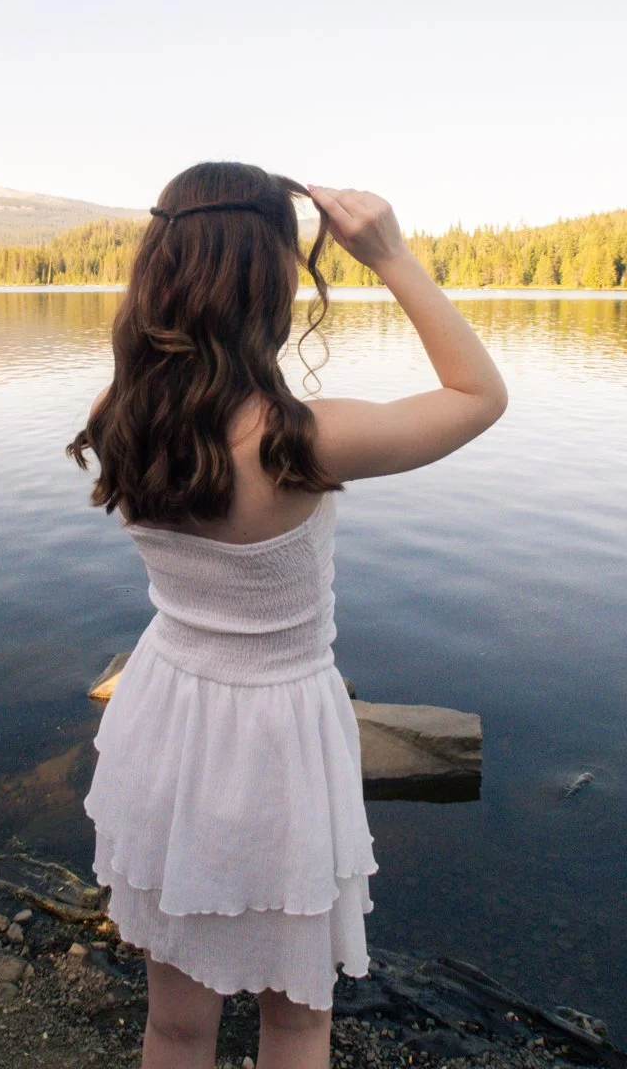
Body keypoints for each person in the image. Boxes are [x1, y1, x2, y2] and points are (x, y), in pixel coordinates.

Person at [66, 162, 508, 1069]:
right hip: (277, 739)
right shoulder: (297, 439)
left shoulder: (125, 417)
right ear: (271, 280)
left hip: (167, 718)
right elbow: (478, 397)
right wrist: (389, 255)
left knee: (176, 1024)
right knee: (297, 1018)